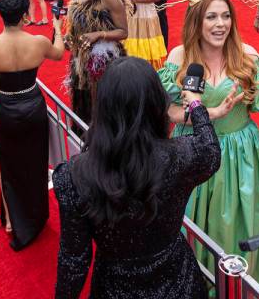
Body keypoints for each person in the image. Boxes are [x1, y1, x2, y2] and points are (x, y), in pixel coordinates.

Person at [158, 0, 259, 298]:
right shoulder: (179, 56)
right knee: (192, 219)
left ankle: (240, 279)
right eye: (211, 17)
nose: (220, 24)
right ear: (196, 21)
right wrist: (209, 115)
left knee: (238, 220)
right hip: (192, 149)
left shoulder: (247, 55)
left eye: (225, 16)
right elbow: (171, 111)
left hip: (240, 154)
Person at [55, 56, 220, 299]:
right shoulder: (182, 156)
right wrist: (195, 105)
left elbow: (74, 260)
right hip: (178, 282)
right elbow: (211, 150)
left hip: (115, 287)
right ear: (157, 105)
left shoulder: (73, 175)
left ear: (102, 107)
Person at [0, 0, 64, 250]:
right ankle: (36, 216)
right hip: (33, 105)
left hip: (6, 107)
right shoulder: (37, 42)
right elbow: (59, 53)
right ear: (25, 15)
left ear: (2, 14)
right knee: (36, 162)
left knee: (10, 164)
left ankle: (14, 221)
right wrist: (57, 29)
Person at [65, 0, 129, 124]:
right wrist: (69, 38)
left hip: (104, 63)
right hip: (81, 61)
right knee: (84, 103)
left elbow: (123, 32)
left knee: (103, 107)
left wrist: (99, 34)